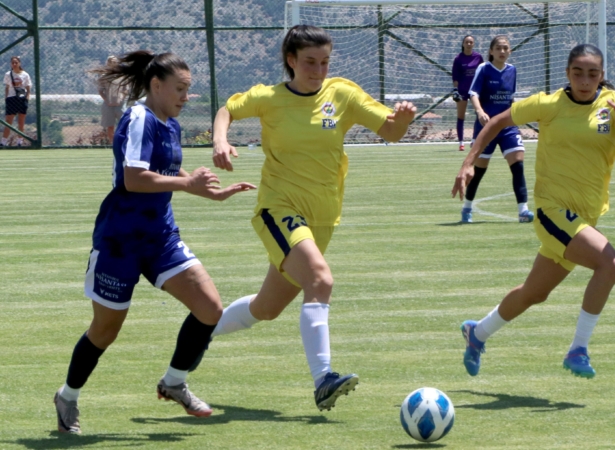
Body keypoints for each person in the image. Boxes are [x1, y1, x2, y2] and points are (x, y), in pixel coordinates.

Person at [205, 25, 416, 412]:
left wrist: (402, 118)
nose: (318, 71)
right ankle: (324, 379)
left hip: (322, 219)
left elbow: (391, 131)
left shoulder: (343, 94)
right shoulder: (269, 98)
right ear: (291, 61)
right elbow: (226, 111)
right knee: (320, 279)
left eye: (324, 62)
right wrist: (220, 139)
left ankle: (200, 332)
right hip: (278, 208)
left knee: (267, 308)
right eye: (309, 63)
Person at [53, 50, 256, 434]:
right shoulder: (139, 118)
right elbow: (133, 178)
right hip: (120, 241)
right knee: (105, 331)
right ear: (157, 85)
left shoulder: (169, 122)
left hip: (160, 236)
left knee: (210, 308)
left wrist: (207, 192)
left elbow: (163, 168)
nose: (185, 97)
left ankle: (175, 381)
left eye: (189, 90)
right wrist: (186, 183)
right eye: (180, 89)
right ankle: (68, 396)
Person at [452, 44, 615, 380]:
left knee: (534, 292)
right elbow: (498, 121)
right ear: (567, 74)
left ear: (602, 76)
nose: (585, 80)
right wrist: (468, 161)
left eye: (592, 74)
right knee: (610, 263)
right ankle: (579, 349)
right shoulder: (549, 104)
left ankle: (478, 333)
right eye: (578, 73)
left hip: (583, 218)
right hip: (552, 212)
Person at [460, 35, 533, 224]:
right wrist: (480, 111)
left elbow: (511, 98)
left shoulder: (512, 70)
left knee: (518, 166)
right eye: (498, 48)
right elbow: (473, 93)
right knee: (479, 171)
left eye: (505, 48)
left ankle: (523, 210)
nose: (502, 51)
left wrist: (520, 115)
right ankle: (467, 207)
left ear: (510, 51)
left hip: (508, 127)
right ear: (491, 51)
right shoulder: (484, 69)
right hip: (486, 127)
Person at [451, 35, 483, 152]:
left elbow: (482, 73)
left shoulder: (478, 57)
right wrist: (455, 90)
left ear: (473, 44)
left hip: (475, 91)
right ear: (463, 44)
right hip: (462, 91)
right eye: (467, 42)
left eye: (471, 42)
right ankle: (461, 143)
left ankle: (474, 140)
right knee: (461, 117)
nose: (469, 44)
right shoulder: (458, 58)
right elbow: (455, 76)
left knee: (479, 114)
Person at [98, 55, 129, 144]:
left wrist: (121, 99)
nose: (114, 64)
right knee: (110, 126)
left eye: (116, 62)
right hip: (108, 105)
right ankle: (113, 144)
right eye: (112, 62)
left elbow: (126, 90)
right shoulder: (104, 76)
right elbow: (101, 91)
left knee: (123, 125)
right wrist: (107, 101)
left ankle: (123, 143)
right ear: (108, 63)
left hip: (120, 105)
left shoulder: (122, 75)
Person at [2, 56, 31, 147]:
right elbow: (7, 87)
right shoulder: (8, 74)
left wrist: (27, 98)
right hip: (11, 98)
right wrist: (6, 98)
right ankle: (3, 142)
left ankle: (20, 141)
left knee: (21, 122)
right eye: (12, 63)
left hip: (22, 99)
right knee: (8, 122)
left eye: (16, 62)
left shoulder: (25, 75)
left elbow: (28, 88)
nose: (14, 64)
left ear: (19, 63)